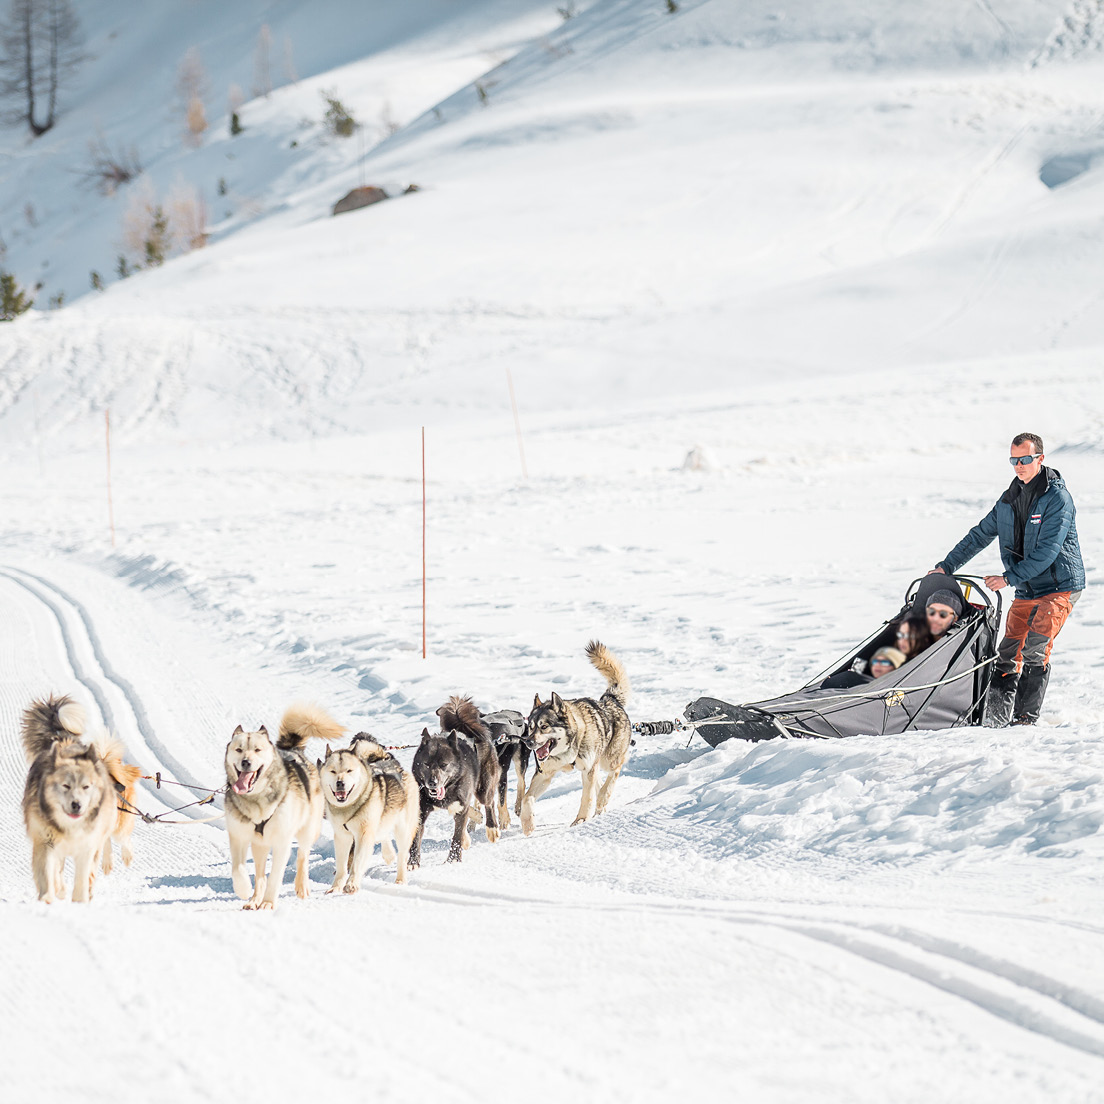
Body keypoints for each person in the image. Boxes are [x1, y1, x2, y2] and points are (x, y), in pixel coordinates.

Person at [930, 432, 1085, 727]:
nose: (1019, 466)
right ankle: (995, 718)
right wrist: (946, 566)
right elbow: (979, 535)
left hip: (1058, 587)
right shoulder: (1009, 499)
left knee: (1035, 649)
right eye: (1013, 460)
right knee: (1008, 652)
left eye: (1025, 459)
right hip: (1027, 587)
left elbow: (1047, 552)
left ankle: (1025, 720)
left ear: (1040, 458)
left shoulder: (1057, 498)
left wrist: (1007, 578)